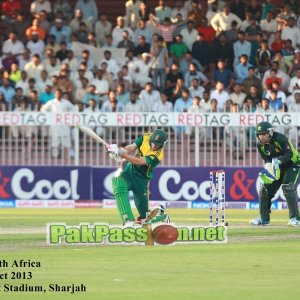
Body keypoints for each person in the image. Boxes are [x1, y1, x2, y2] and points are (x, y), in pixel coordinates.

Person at [106, 129, 169, 225]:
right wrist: (120, 152)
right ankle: (128, 220)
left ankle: (163, 215)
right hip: (129, 171)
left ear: (163, 144)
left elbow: (138, 161)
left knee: (145, 220)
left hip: (141, 180)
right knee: (118, 183)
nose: (153, 145)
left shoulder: (158, 155)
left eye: (157, 144)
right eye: (152, 142)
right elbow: (132, 147)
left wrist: (121, 154)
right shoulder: (146, 137)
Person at [250, 121, 300, 227]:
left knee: (288, 187)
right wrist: (269, 168)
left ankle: (295, 218)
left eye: (264, 133)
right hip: (278, 167)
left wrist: (278, 162)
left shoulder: (280, 138)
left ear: (270, 132)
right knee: (264, 190)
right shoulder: (260, 146)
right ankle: (264, 219)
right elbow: (267, 158)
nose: (262, 136)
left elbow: (290, 154)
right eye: (260, 134)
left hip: (293, 164)